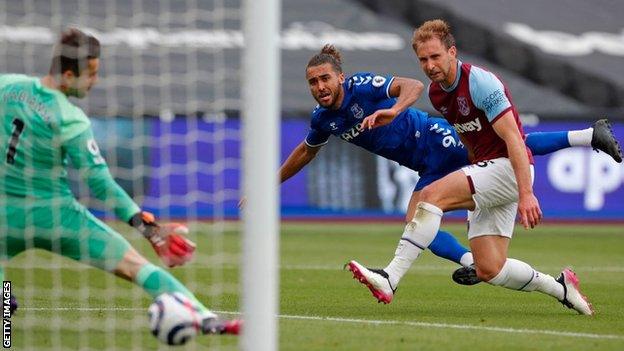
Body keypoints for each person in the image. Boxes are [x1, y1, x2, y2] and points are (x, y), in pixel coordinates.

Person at [283, 45, 621, 303]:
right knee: (417, 224)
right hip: (426, 165)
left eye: (325, 78)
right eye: (312, 82)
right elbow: (304, 151)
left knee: (508, 144)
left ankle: (589, 136)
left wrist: (394, 110)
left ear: (340, 77)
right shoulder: (322, 119)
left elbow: (412, 86)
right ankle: (473, 261)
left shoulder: (362, 87)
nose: (319, 86)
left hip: (435, 140)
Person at [347, 20, 606, 315]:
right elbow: (468, 136)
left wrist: (526, 194)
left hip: (509, 168)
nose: (430, 65)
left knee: (430, 197)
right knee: (490, 269)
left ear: (452, 52)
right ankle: (561, 288)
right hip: (488, 171)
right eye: (423, 59)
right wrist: (475, 173)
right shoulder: (436, 93)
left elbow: (515, 140)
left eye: (435, 57)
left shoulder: (481, 83)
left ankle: (389, 277)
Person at [0, 28, 240, 336]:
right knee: (136, 267)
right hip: (56, 216)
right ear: (70, 75)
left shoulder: (7, 85)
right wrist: (147, 227)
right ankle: (207, 319)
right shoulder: (69, 118)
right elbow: (100, 183)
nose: (95, 81)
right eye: (92, 74)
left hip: (5, 217)